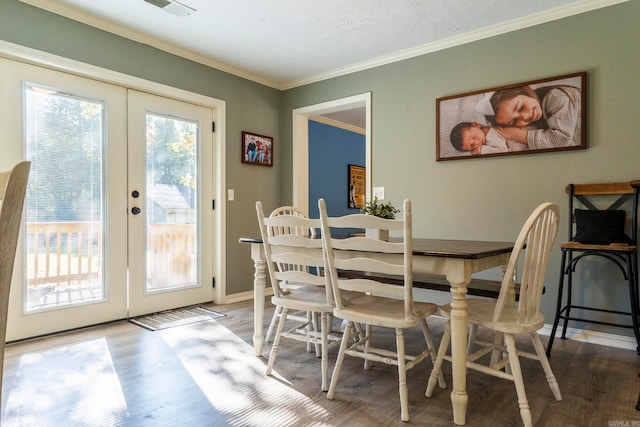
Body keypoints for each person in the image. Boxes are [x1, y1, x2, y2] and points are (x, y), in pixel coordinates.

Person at [480, 84, 582, 150]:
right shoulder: (535, 120)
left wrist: (516, 134)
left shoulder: (556, 98)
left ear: (525, 90)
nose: (524, 117)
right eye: (514, 121)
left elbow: (560, 140)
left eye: (520, 108)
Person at [450, 121, 527, 155]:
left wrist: (482, 150)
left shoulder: (490, 134)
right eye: (472, 146)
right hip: (523, 138)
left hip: (524, 134)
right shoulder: (484, 134)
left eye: (474, 137)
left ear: (476, 124)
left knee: (514, 149)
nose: (476, 143)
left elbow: (504, 151)